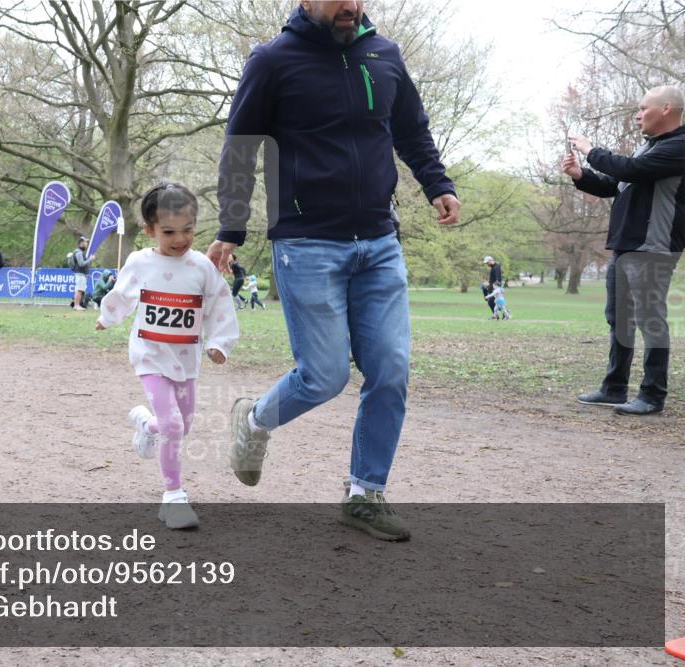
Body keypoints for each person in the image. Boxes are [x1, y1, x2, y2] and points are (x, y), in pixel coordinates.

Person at [210, 0, 460, 541]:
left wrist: (437, 183)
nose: (351, 5)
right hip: (306, 242)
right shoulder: (273, 60)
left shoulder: (383, 55)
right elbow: (240, 149)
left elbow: (411, 129)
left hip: (378, 240)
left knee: (390, 370)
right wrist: (231, 227)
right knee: (324, 376)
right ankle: (253, 419)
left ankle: (365, 493)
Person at [96, 182, 239, 529]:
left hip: (186, 360)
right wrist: (107, 316)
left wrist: (219, 342)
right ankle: (173, 497)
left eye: (187, 230)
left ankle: (147, 425)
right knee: (175, 425)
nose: (180, 239)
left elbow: (220, 303)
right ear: (150, 230)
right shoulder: (140, 262)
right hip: (150, 356)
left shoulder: (202, 268)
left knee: (181, 425)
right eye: (169, 232)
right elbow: (124, 293)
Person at [564, 84, 685, 416]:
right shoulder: (648, 149)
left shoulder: (679, 146)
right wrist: (580, 175)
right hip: (625, 246)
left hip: (654, 248)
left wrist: (591, 150)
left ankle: (652, 395)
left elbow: (627, 170)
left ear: (666, 110)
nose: (637, 116)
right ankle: (615, 388)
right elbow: (615, 185)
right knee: (618, 319)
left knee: (650, 319)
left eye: (643, 109)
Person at [71, 235, 95, 311]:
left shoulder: (80, 252)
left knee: (80, 290)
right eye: (85, 242)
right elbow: (81, 264)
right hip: (80, 274)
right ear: (81, 243)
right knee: (79, 290)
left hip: (81, 274)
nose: (86, 244)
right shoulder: (79, 252)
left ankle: (77, 305)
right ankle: (76, 305)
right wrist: (90, 259)